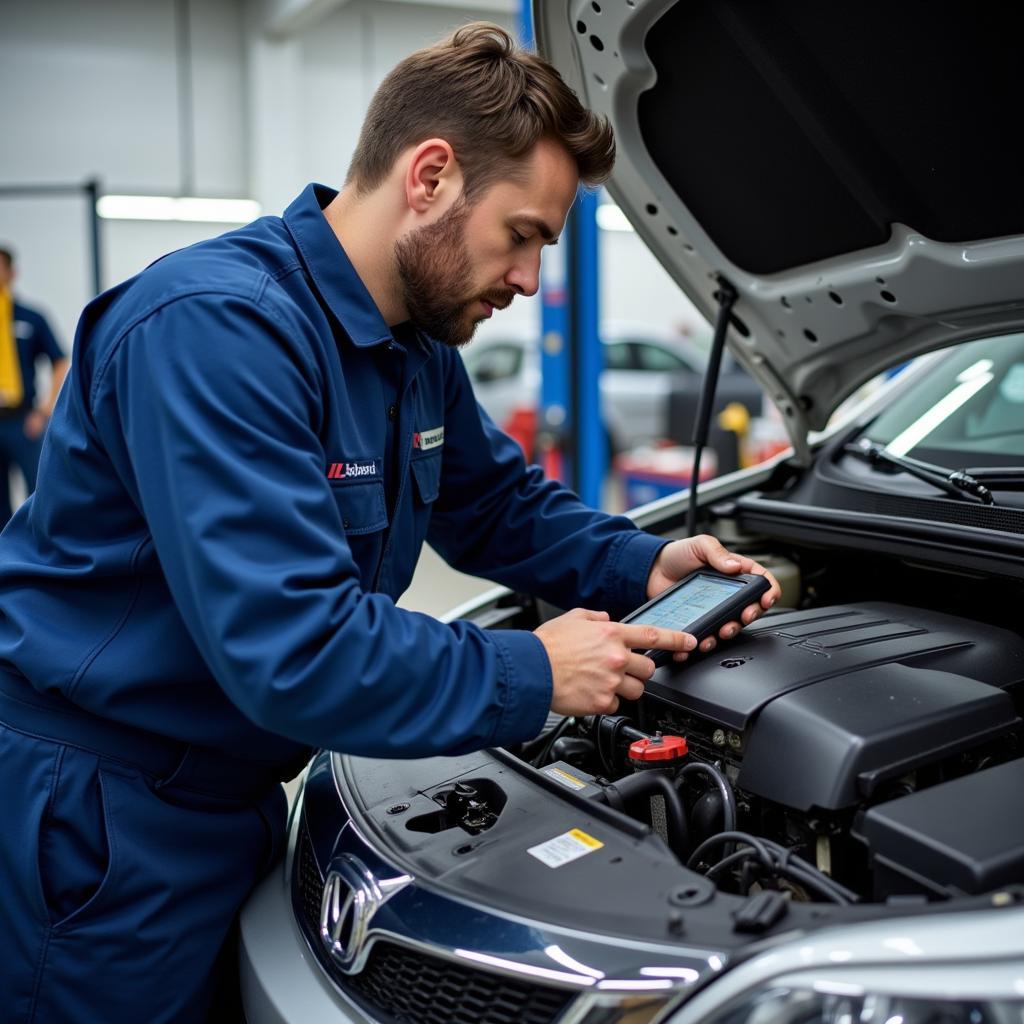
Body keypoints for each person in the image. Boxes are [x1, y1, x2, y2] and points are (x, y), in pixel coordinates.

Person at [0, 23, 779, 1023]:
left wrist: (644, 562)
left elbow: (496, 505)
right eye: (524, 235)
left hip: (225, 797)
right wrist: (533, 672)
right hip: (99, 815)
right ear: (429, 177)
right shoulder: (214, 330)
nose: (532, 280)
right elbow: (295, 647)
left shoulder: (410, 347)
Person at [0, 247, 69, 525]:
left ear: (12, 273)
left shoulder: (31, 317)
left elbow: (60, 361)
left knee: (38, 492)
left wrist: (44, 410)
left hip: (24, 421)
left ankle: (37, 558)